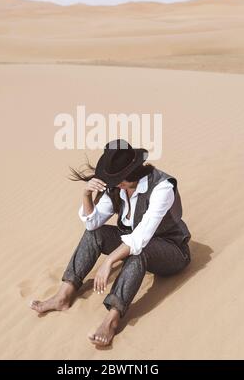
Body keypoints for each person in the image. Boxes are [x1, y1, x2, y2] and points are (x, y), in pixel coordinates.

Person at [30, 139, 191, 347]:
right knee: (96, 234)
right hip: (137, 243)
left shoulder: (162, 187)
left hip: (172, 251)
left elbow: (140, 238)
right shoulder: (116, 187)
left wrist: (109, 262)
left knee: (138, 252)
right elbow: (92, 223)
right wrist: (86, 194)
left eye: (114, 177)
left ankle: (112, 319)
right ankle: (63, 295)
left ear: (128, 174)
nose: (110, 181)